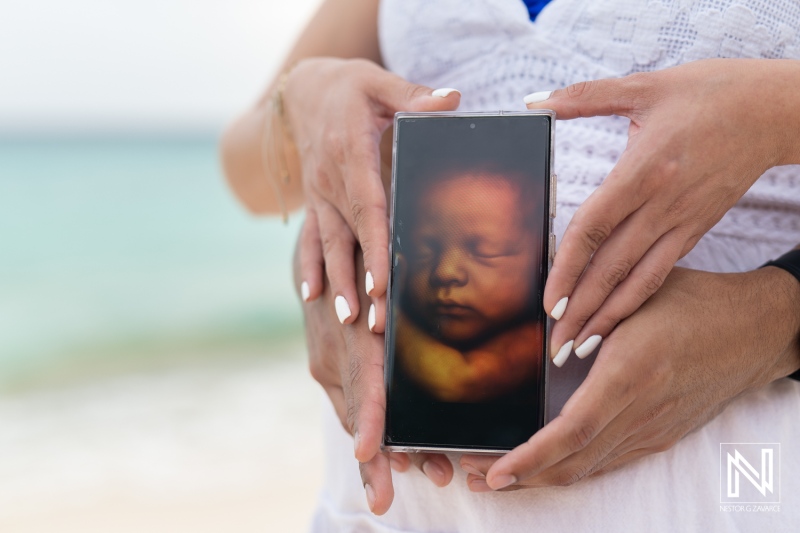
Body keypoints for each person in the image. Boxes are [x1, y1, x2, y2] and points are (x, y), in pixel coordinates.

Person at [221, 0, 800, 529]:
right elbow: (249, 177)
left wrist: (780, 318)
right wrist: (300, 104)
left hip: (719, 479)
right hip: (401, 503)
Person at [394, 165, 543, 402]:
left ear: (540, 256)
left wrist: (393, 316)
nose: (444, 272)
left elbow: (460, 378)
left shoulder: (538, 337)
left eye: (484, 252)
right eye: (424, 250)